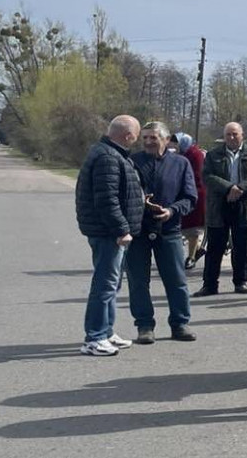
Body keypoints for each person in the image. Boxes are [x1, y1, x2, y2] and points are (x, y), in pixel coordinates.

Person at [75, 115, 144, 356]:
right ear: (128, 135)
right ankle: (94, 337)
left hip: (109, 231)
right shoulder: (108, 157)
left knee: (112, 285)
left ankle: (106, 331)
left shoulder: (112, 153)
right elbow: (107, 199)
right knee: (104, 285)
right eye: (136, 135)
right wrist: (121, 229)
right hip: (108, 233)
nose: (136, 140)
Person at [127, 121, 198, 344]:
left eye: (154, 137)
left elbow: (190, 197)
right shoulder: (132, 161)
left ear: (166, 140)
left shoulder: (181, 163)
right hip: (138, 231)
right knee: (138, 281)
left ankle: (180, 323)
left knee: (176, 280)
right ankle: (144, 325)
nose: (148, 141)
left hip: (169, 230)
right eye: (145, 137)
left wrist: (172, 211)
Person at [195, 122, 247, 296]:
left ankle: (241, 282)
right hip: (219, 204)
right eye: (228, 134)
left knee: (242, 246)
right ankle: (210, 285)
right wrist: (229, 188)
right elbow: (207, 176)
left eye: (235, 134)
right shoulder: (213, 155)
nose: (232, 137)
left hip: (244, 204)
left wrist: (240, 188)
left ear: (242, 135)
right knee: (215, 247)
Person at [174, 133, 207, 271]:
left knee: (192, 228)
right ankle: (198, 249)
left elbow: (196, 175)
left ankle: (191, 257)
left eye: (177, 142)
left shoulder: (195, 154)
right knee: (185, 227)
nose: (175, 145)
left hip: (196, 193)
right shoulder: (183, 154)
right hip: (182, 193)